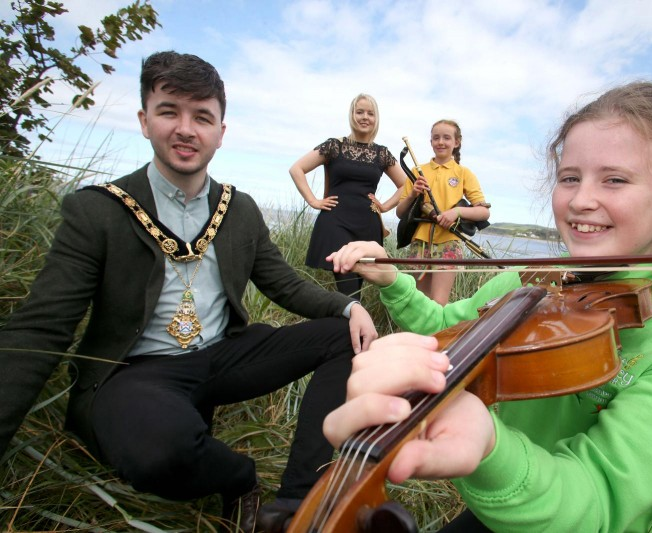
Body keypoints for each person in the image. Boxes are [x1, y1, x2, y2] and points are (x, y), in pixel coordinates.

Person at [324, 82, 652, 532]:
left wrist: (489, 446)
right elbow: (446, 325)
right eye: (569, 177)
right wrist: (394, 279)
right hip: (503, 502)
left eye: (615, 179)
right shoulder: (530, 284)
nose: (580, 200)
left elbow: (597, 498)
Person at [0, 51, 378, 533]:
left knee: (345, 335)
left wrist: (347, 307)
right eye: (168, 111)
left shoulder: (237, 208)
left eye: (202, 116)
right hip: (137, 371)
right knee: (161, 451)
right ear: (144, 120)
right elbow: (38, 330)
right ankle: (239, 478)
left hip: (223, 356)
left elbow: (280, 282)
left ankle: (297, 502)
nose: (186, 129)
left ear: (221, 132)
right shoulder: (98, 212)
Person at [288, 93, 406, 300]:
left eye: (370, 113)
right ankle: (353, 325)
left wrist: (385, 206)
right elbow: (296, 169)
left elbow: (406, 185)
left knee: (356, 287)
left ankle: (348, 325)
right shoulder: (334, 146)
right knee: (348, 283)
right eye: (359, 112)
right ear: (352, 115)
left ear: (376, 119)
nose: (364, 117)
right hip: (336, 221)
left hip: (367, 224)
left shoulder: (382, 153)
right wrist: (313, 201)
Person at [396, 119, 490, 305]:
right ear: (430, 142)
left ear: (457, 142)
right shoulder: (417, 171)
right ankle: (415, 335)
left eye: (446, 138)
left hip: (449, 243)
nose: (441, 142)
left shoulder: (463, 173)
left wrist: (456, 212)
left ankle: (437, 335)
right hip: (420, 243)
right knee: (418, 303)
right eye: (436, 138)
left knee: (438, 304)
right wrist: (414, 193)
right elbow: (400, 212)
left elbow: (483, 212)